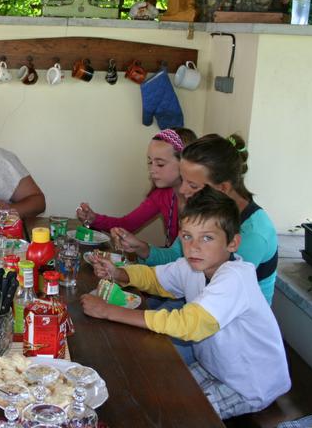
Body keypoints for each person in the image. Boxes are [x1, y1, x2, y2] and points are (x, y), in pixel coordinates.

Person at [80, 187, 290, 419]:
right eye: (187, 236)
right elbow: (155, 278)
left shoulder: (235, 278)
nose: (194, 247)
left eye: (207, 238)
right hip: (215, 366)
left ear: (232, 243)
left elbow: (187, 324)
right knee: (151, 390)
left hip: (250, 383)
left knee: (183, 416)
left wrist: (109, 311)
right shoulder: (193, 265)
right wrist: (119, 273)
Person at [111, 133, 278, 304]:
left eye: (193, 185)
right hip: (194, 293)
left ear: (223, 188)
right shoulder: (205, 210)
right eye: (183, 180)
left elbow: (214, 302)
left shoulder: (253, 235)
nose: (182, 190)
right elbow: (177, 258)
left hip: (222, 312)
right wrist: (142, 248)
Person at [77, 127, 197, 246]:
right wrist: (94, 219)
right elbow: (127, 224)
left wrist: (142, 248)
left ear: (185, 163)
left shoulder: (201, 202)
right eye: (150, 162)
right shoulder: (161, 195)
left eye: (160, 164)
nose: (152, 170)